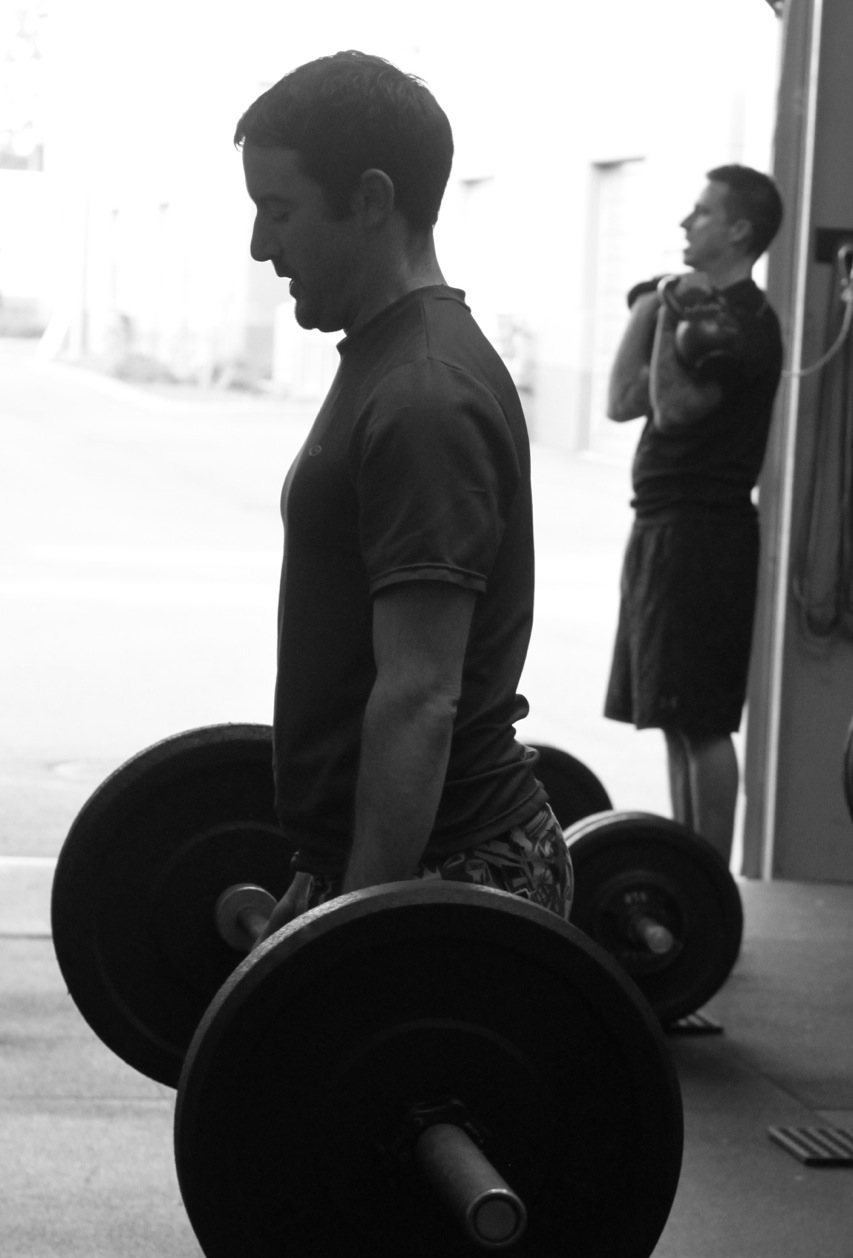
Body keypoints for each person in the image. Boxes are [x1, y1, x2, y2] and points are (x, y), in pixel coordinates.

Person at [232, 51, 572, 940]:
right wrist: (328, 865)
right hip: (396, 855)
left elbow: (420, 695)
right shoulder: (390, 359)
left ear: (371, 199)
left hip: (452, 865)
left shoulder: (423, 394)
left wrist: (355, 927)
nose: (260, 247)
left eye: (279, 211)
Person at [604, 164, 784, 864]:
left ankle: (711, 888)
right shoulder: (691, 310)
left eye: (702, 212)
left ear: (738, 230)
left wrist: (670, 307)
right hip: (662, 526)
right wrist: (655, 306)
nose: (686, 222)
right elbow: (621, 401)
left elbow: (674, 410)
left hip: (704, 536)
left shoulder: (742, 325)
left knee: (703, 720)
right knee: (675, 718)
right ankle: (692, 873)